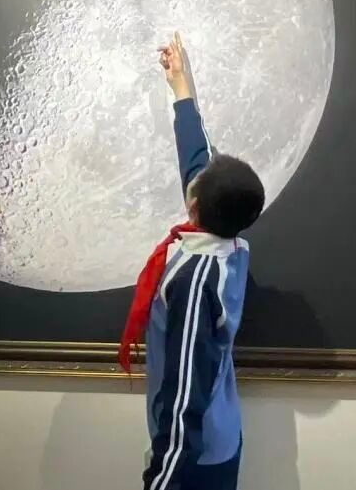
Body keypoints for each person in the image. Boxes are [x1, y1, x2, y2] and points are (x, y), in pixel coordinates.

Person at [120, 32, 265, 490]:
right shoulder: (228, 243)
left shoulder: (194, 282)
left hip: (192, 458)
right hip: (218, 437)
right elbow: (198, 160)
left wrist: (163, 476)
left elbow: (186, 390)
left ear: (194, 206)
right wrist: (181, 87)